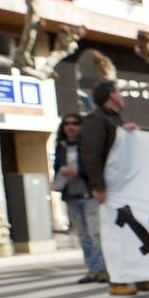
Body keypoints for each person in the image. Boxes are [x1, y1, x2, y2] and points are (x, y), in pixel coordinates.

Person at [79, 81, 149, 297]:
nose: (122, 95)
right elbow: (91, 154)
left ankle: (141, 275)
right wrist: (97, 186)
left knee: (137, 233)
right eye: (119, 92)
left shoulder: (113, 120)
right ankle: (119, 278)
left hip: (126, 188)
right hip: (111, 189)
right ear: (111, 96)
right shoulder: (96, 120)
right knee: (115, 233)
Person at [52, 113, 106, 284]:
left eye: (75, 123)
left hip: (90, 194)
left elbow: (96, 166)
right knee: (83, 235)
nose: (71, 126)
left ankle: (103, 269)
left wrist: (78, 172)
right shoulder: (61, 146)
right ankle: (92, 269)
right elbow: (56, 167)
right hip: (71, 195)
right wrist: (61, 173)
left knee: (95, 233)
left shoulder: (89, 145)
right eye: (67, 123)